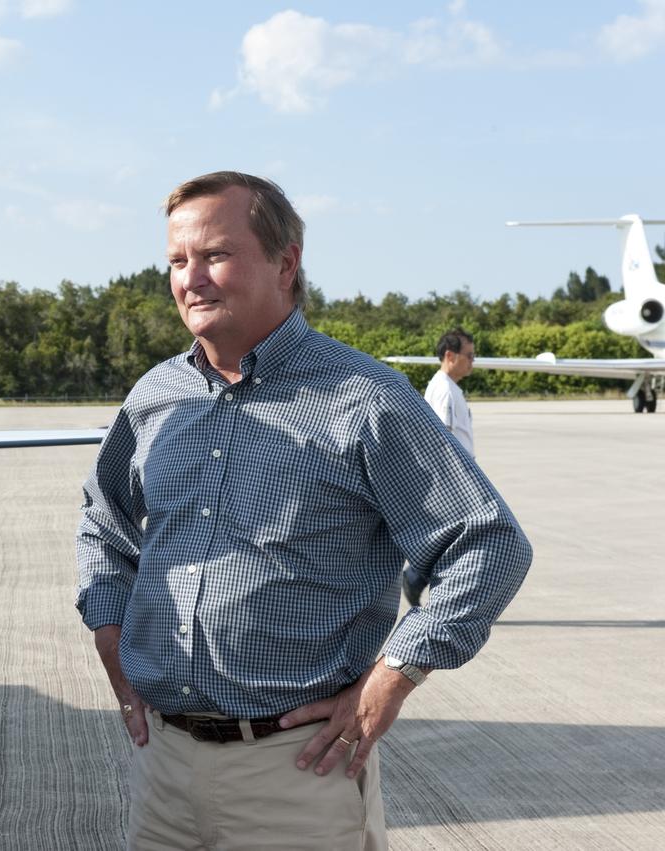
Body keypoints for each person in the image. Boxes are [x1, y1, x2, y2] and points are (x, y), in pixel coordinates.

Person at [75, 171, 531, 850]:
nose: (190, 279)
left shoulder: (365, 398)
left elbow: (488, 544)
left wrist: (391, 679)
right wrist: (111, 637)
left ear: (286, 262)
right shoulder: (155, 395)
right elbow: (104, 521)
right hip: (163, 767)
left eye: (216, 255)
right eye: (177, 260)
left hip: (294, 774)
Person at [403, 329, 477, 605]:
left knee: (450, 541)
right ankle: (418, 580)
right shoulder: (444, 390)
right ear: (450, 355)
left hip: (455, 479)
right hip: (452, 481)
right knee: (457, 541)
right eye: (469, 355)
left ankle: (418, 579)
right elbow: (442, 439)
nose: (473, 361)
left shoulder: (446, 386)